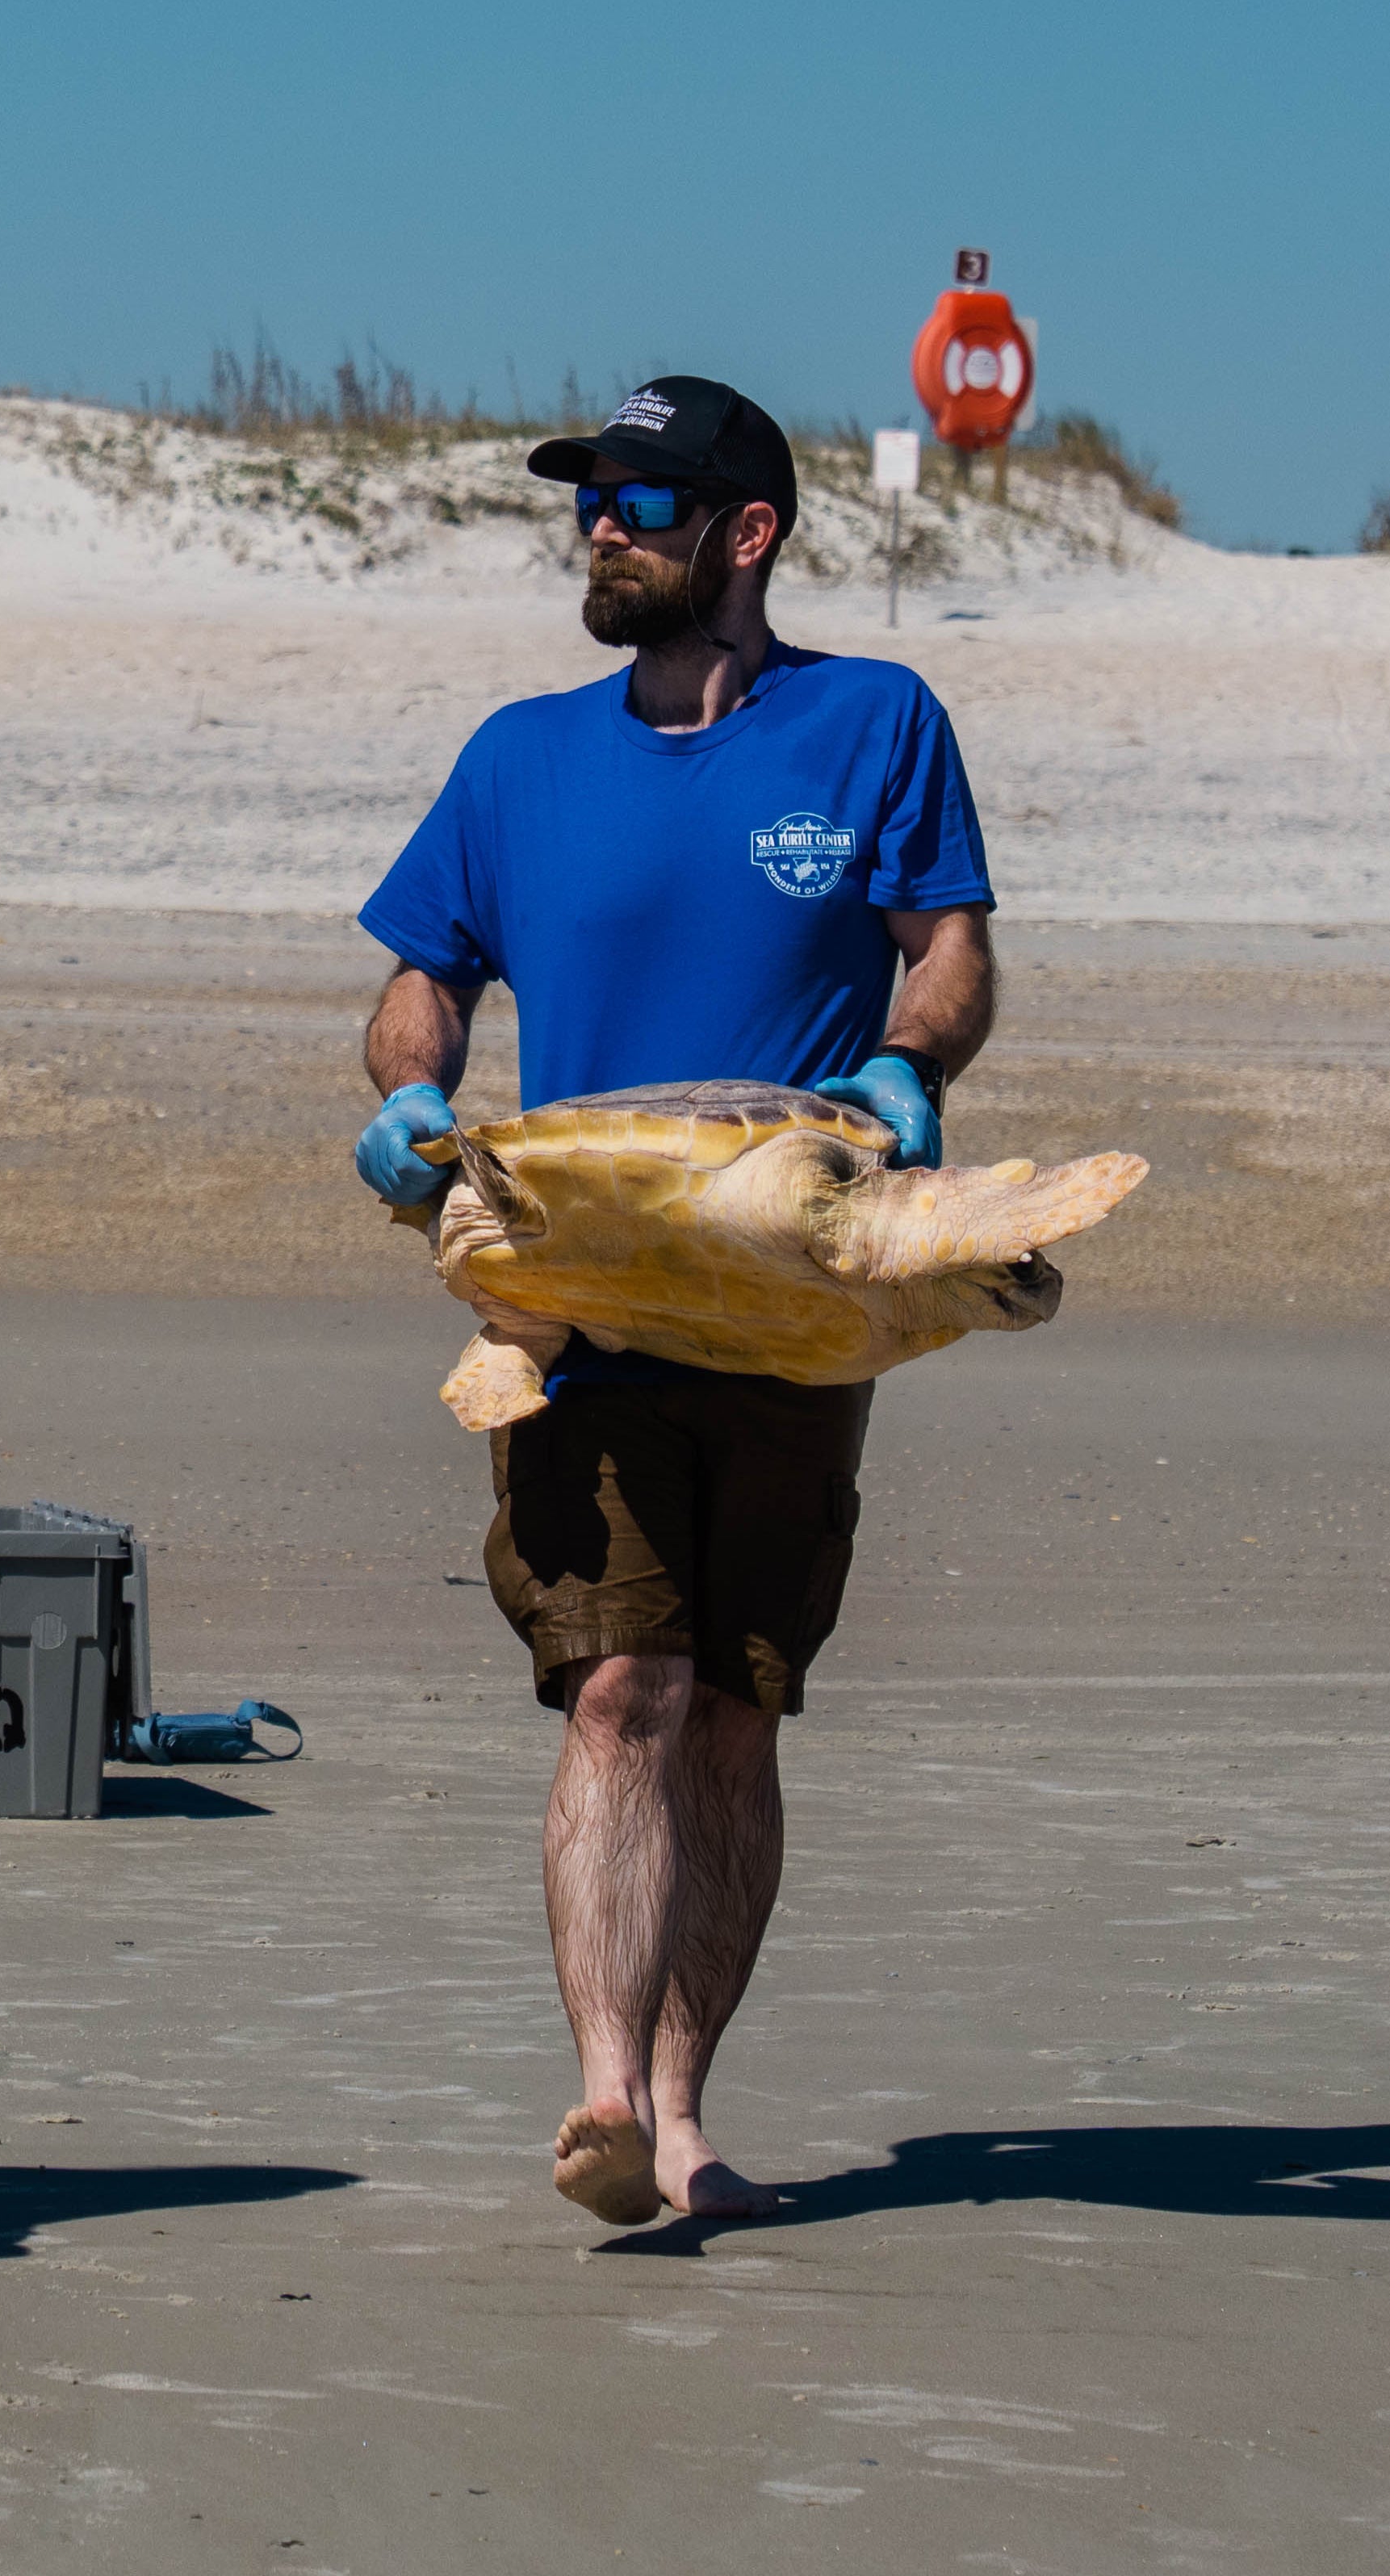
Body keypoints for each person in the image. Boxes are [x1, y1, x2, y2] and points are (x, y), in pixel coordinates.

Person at [350, 378, 995, 2227]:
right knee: (623, 1683)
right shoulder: (519, 759)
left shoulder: (874, 724)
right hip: (589, 1301)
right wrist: (408, 1090)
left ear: (745, 532)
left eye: (637, 501)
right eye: (587, 500)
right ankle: (605, 2093)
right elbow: (423, 974)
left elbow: (945, 951)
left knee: (734, 1711)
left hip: (794, 1304)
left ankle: (690, 2112)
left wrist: (908, 1069)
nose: (598, 527)